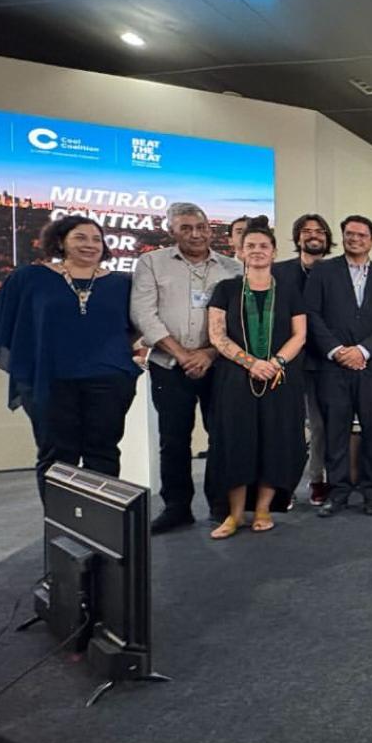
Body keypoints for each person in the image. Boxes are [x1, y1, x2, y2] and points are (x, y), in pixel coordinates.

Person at [0, 215, 141, 503]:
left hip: (109, 380)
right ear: (60, 241)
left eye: (97, 239)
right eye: (80, 237)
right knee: (56, 455)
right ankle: (61, 523)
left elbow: (137, 327)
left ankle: (101, 523)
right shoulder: (29, 278)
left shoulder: (122, 283)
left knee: (103, 453)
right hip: (50, 380)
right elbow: (9, 327)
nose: (90, 244)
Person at [130, 202, 242, 532]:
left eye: (201, 227)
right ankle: (177, 507)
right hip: (168, 364)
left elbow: (239, 321)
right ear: (172, 232)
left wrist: (209, 354)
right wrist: (182, 354)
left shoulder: (233, 268)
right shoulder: (151, 263)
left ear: (210, 229)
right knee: (173, 438)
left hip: (219, 365)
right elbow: (143, 314)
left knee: (222, 435)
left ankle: (221, 505)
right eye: (186, 228)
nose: (195, 234)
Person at [205, 217, 307, 537]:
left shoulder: (289, 291)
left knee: (275, 442)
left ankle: (263, 509)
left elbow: (300, 335)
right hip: (236, 379)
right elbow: (217, 336)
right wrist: (251, 363)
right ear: (240, 252)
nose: (257, 250)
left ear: (274, 252)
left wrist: (275, 363)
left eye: (264, 246)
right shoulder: (226, 289)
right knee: (237, 443)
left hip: (279, 378)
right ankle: (234, 515)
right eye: (250, 246)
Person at [305, 215, 372, 518]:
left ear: (371, 240)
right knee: (335, 431)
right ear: (343, 236)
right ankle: (338, 491)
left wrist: (362, 350)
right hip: (332, 367)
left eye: (361, 235)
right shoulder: (323, 271)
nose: (355, 239)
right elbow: (311, 314)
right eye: (350, 234)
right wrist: (337, 351)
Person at [271, 213, 334, 505]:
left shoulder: (336, 271)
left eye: (319, 231)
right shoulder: (279, 272)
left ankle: (318, 479)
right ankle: (283, 486)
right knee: (286, 427)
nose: (313, 235)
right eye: (307, 231)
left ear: (327, 238)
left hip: (325, 362)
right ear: (297, 237)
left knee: (320, 426)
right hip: (286, 360)